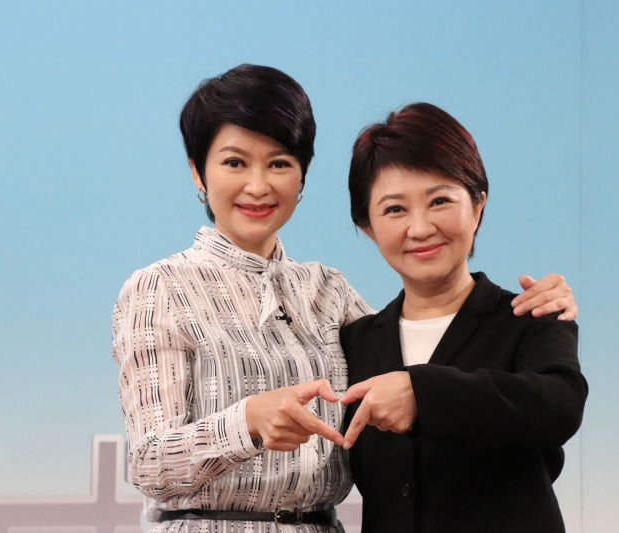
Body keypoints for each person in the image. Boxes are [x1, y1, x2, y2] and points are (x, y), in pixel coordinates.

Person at [111, 65, 578, 533]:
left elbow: (440, 356)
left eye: (279, 163)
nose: (258, 185)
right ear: (198, 172)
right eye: (235, 163)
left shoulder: (330, 294)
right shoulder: (160, 287)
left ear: (302, 176)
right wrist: (247, 422)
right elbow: (148, 463)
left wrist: (548, 306)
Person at [339, 103, 588, 533]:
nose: (420, 228)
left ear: (477, 206)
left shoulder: (532, 316)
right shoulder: (354, 342)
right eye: (395, 210)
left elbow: (560, 406)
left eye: (439, 201)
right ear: (368, 227)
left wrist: (422, 393)